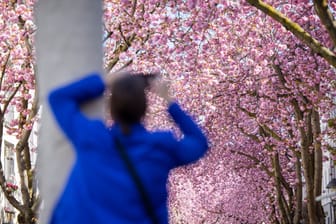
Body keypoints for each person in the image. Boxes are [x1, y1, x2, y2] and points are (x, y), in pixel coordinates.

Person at [48, 72, 208, 224]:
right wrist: (169, 102)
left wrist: (106, 81)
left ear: (111, 107)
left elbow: (58, 98)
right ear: (144, 109)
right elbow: (199, 143)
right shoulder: (161, 148)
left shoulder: (92, 138)